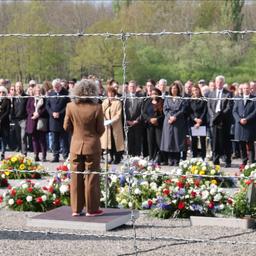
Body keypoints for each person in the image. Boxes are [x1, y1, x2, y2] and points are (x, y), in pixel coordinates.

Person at [63, 79, 105, 217]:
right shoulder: (97, 107)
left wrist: (76, 134)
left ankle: (76, 209)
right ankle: (92, 209)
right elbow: (101, 129)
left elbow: (66, 127)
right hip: (92, 146)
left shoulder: (70, 106)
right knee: (91, 177)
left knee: (75, 177)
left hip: (75, 146)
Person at [207, 75, 233, 167]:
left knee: (225, 141)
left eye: (221, 82)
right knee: (214, 142)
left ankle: (227, 160)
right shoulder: (211, 93)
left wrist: (219, 116)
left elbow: (228, 107)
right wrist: (213, 116)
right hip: (214, 121)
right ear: (215, 83)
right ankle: (215, 159)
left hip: (224, 121)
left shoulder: (228, 94)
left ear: (223, 83)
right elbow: (209, 107)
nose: (219, 84)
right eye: (217, 82)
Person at [160, 82, 187, 166]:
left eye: (175, 88)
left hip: (178, 122)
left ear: (178, 89)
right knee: (169, 141)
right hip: (168, 122)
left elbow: (182, 109)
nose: (174, 89)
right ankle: (170, 159)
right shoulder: (167, 98)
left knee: (177, 140)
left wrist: (175, 117)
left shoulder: (181, 98)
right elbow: (165, 109)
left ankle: (177, 160)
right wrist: (169, 117)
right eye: (172, 88)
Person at [46, 78, 70, 162]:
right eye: (54, 87)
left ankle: (65, 156)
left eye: (57, 86)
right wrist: (52, 113)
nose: (56, 88)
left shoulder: (66, 94)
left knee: (64, 140)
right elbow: (47, 105)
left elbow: (68, 106)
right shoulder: (50, 93)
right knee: (54, 140)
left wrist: (60, 113)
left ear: (60, 85)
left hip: (62, 120)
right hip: (53, 120)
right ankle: (55, 156)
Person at [233, 83, 256, 167]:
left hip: (249, 125)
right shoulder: (238, 99)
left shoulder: (254, 99)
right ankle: (244, 162)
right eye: (244, 88)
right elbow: (234, 111)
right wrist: (239, 119)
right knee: (241, 144)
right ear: (242, 90)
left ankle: (252, 162)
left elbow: (255, 111)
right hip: (240, 125)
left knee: (250, 145)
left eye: (247, 88)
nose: (246, 90)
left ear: (250, 89)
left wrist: (247, 119)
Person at [101, 87, 124, 164]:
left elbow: (118, 114)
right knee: (109, 143)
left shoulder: (118, 102)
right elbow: (102, 112)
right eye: (109, 93)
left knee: (116, 143)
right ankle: (111, 157)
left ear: (114, 94)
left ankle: (117, 158)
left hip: (115, 126)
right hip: (107, 126)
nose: (110, 94)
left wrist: (111, 121)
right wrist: (105, 120)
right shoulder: (105, 102)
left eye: (112, 93)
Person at [142, 87, 164, 164]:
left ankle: (160, 158)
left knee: (159, 141)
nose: (153, 95)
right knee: (150, 142)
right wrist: (150, 119)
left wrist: (157, 119)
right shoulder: (147, 102)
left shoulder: (162, 102)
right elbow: (143, 113)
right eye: (152, 94)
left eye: (155, 94)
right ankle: (151, 157)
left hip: (159, 125)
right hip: (150, 125)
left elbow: (164, 114)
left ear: (159, 95)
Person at [26, 84, 48, 162]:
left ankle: (44, 155)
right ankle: (36, 155)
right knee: (34, 139)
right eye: (36, 90)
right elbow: (28, 108)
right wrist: (33, 113)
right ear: (34, 91)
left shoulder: (44, 98)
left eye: (39, 90)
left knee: (42, 139)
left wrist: (38, 113)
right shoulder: (31, 98)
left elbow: (45, 108)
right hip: (32, 120)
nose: (38, 92)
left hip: (41, 121)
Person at [124, 80, 143, 156]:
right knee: (129, 142)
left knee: (137, 142)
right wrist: (127, 120)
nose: (132, 88)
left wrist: (137, 120)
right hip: (128, 124)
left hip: (137, 124)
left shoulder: (140, 98)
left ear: (136, 87)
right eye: (131, 86)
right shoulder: (125, 98)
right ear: (128, 87)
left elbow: (142, 111)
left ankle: (137, 158)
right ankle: (130, 157)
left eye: (134, 86)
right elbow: (123, 111)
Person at [188, 84, 207, 160]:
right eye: (193, 90)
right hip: (193, 122)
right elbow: (189, 112)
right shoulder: (190, 100)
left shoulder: (203, 99)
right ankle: (194, 157)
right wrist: (195, 119)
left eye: (196, 90)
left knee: (202, 140)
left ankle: (203, 157)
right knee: (194, 140)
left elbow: (205, 111)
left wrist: (200, 121)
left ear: (199, 90)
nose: (195, 92)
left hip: (202, 122)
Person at [12, 81, 28, 155]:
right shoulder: (13, 97)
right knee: (18, 137)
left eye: (20, 86)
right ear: (15, 88)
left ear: (22, 87)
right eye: (17, 86)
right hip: (16, 119)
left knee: (23, 137)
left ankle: (24, 153)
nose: (18, 88)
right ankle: (20, 152)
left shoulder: (26, 96)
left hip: (23, 119)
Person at [0, 86, 10, 159]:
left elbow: (7, 111)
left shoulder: (7, 101)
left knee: (4, 138)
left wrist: (1, 118)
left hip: (4, 122)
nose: (1, 93)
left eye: (3, 92)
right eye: (0, 92)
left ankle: (3, 152)